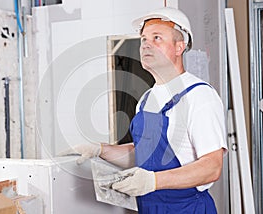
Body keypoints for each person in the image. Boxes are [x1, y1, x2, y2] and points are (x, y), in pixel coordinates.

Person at [59, 7, 227, 214]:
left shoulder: (199, 96)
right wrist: (101, 150)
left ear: (179, 47)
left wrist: (153, 180)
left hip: (186, 208)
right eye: (144, 39)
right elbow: (142, 155)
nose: (146, 44)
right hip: (149, 208)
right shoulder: (147, 99)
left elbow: (212, 167)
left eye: (157, 38)